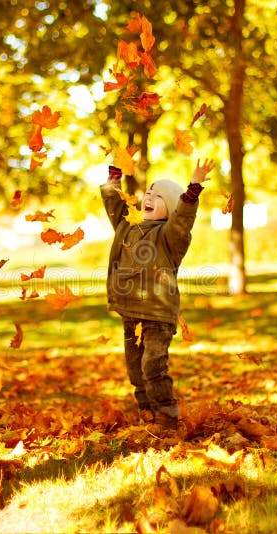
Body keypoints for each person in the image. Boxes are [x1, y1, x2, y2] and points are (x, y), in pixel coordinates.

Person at [101, 158, 215, 434]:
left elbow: (183, 219)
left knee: (152, 363)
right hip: (131, 313)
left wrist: (194, 187)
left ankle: (166, 415)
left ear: (171, 209)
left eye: (158, 196)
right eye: (148, 193)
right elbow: (115, 206)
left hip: (157, 314)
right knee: (135, 370)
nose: (149, 198)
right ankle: (147, 411)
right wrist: (115, 176)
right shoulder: (128, 225)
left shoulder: (170, 236)